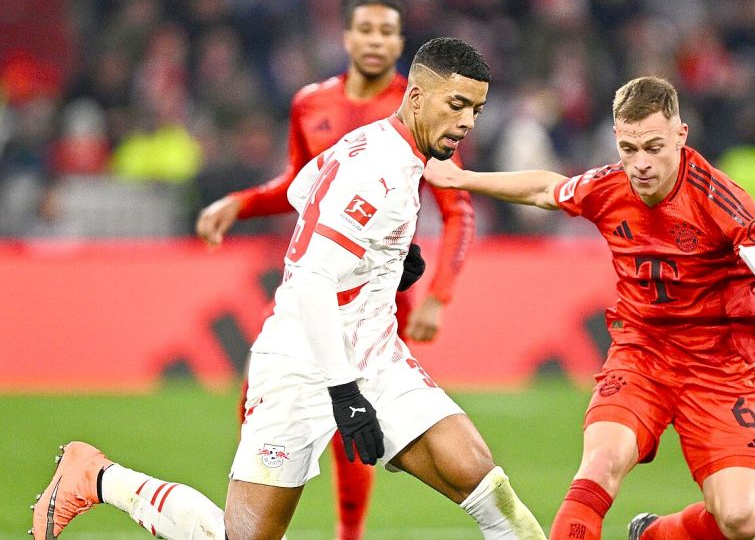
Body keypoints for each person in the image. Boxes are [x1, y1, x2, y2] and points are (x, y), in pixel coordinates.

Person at [32, 37, 546, 540]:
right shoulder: (377, 170)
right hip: (300, 364)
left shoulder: (377, 146)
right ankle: (97, 476)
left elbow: (305, 189)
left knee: (489, 491)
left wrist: (383, 259)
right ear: (415, 97)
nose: (466, 123)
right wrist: (344, 393)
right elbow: (311, 282)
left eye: (476, 110)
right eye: (456, 105)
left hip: (376, 357)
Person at [423, 76, 755, 540]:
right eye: (628, 148)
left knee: (741, 518)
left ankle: (652, 535)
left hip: (717, 369)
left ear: (680, 136)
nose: (639, 164)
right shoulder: (609, 186)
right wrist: (462, 178)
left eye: (653, 148)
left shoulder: (721, 201)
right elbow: (548, 190)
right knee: (601, 462)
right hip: (641, 356)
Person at [195, 0, 475, 539]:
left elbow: (457, 206)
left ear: (400, 44)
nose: (375, 40)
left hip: (381, 295)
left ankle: (349, 534)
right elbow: (300, 185)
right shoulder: (310, 104)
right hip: (318, 276)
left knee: (354, 422)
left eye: (387, 31)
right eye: (365, 29)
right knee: (259, 403)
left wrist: (439, 294)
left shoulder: (424, 107)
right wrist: (241, 202)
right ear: (346, 38)